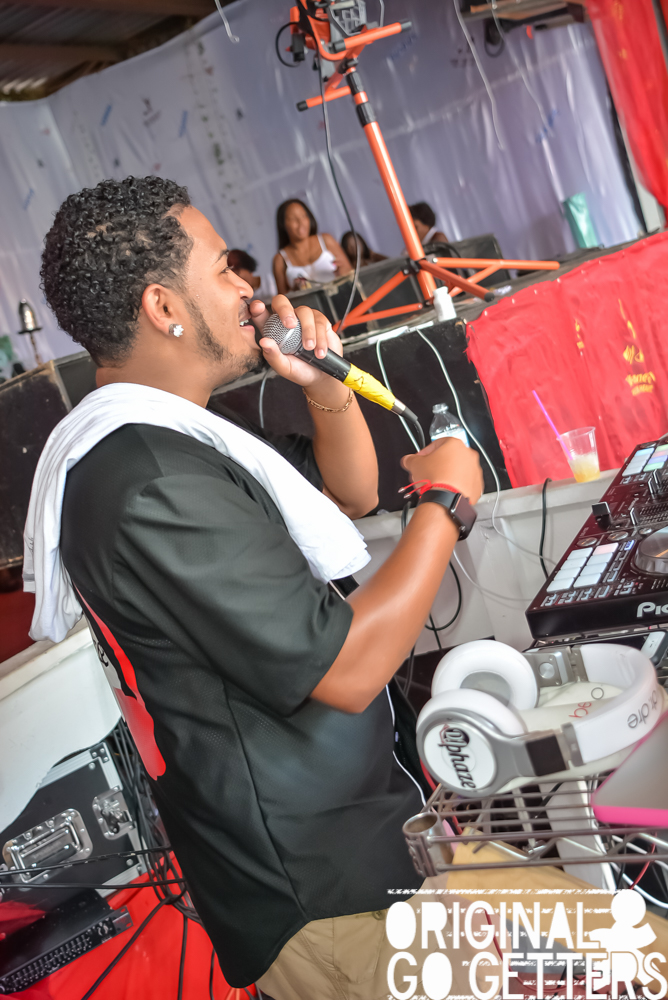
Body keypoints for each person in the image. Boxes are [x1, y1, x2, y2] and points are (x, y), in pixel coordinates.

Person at [30, 175, 483, 999]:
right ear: (165, 307)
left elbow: (347, 494)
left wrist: (323, 384)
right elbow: (347, 668)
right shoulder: (151, 479)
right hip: (325, 893)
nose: (249, 285)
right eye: (225, 268)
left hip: (362, 846)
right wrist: (446, 505)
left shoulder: (179, 435)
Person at [273, 198, 352, 293]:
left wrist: (342, 272)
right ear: (283, 224)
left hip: (343, 297)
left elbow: (351, 273)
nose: (301, 222)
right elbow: (282, 298)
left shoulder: (326, 240)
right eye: (293, 219)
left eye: (303, 216)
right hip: (308, 303)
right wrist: (295, 291)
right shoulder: (279, 260)